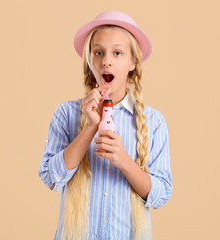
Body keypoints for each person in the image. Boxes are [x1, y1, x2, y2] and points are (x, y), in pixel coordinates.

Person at [38, 10, 173, 240]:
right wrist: (90, 126)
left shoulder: (154, 122)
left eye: (117, 53)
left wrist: (124, 161)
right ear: (90, 60)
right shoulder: (66, 114)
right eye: (98, 52)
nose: (106, 61)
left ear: (133, 62)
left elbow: (160, 195)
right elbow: (52, 178)